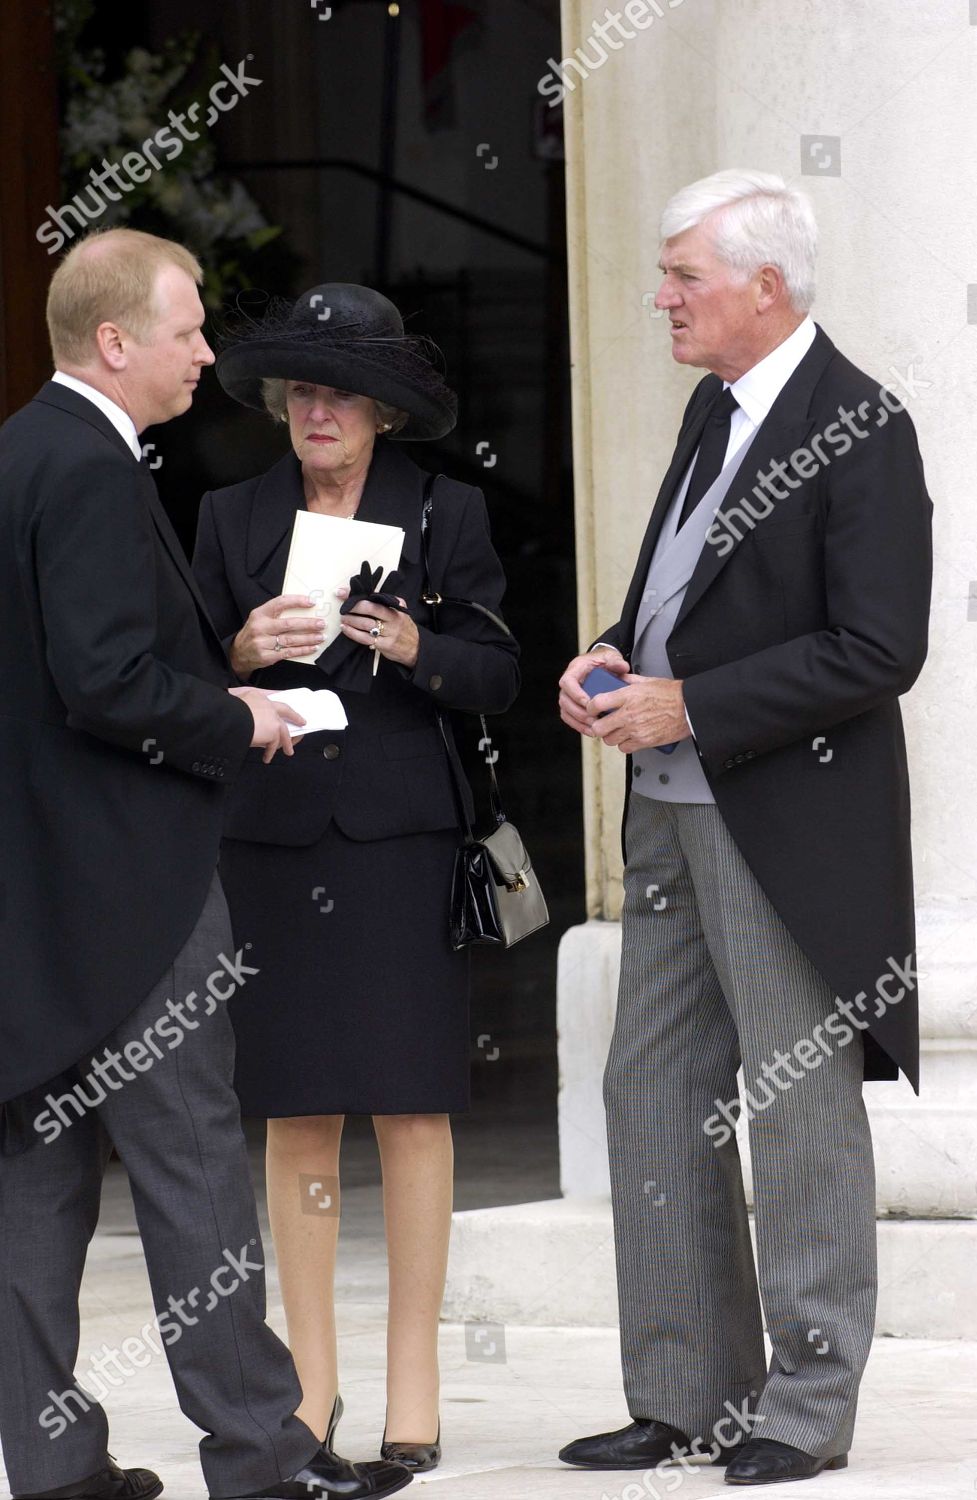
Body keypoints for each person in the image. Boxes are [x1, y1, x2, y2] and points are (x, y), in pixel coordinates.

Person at [0, 228, 411, 1500]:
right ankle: (259, 1455)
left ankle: (55, 1466)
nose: (209, 354)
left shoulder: (22, 450)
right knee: (189, 1177)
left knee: (34, 1185)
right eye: (187, 330)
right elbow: (101, 682)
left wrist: (219, 663)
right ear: (115, 342)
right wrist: (241, 713)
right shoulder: (84, 467)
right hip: (134, 889)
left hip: (33, 890)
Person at [557, 171, 932, 1486]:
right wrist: (610, 657)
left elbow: (880, 648)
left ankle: (804, 1408)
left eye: (683, 278)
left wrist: (687, 702)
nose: (660, 297)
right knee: (649, 1090)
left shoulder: (861, 424)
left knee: (795, 1112)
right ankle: (685, 1397)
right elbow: (682, 597)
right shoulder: (709, 412)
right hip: (664, 812)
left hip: (781, 821)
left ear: (764, 288)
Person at [191, 282, 520, 1473]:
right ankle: (311, 1393)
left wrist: (416, 644)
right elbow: (181, 675)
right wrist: (239, 652)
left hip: (398, 843)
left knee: (413, 1107)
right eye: (302, 392)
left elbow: (495, 674)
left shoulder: (445, 510)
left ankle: (415, 1389)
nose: (319, 411)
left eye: (343, 394)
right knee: (297, 1114)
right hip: (271, 839)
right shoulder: (230, 517)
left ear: (383, 411)